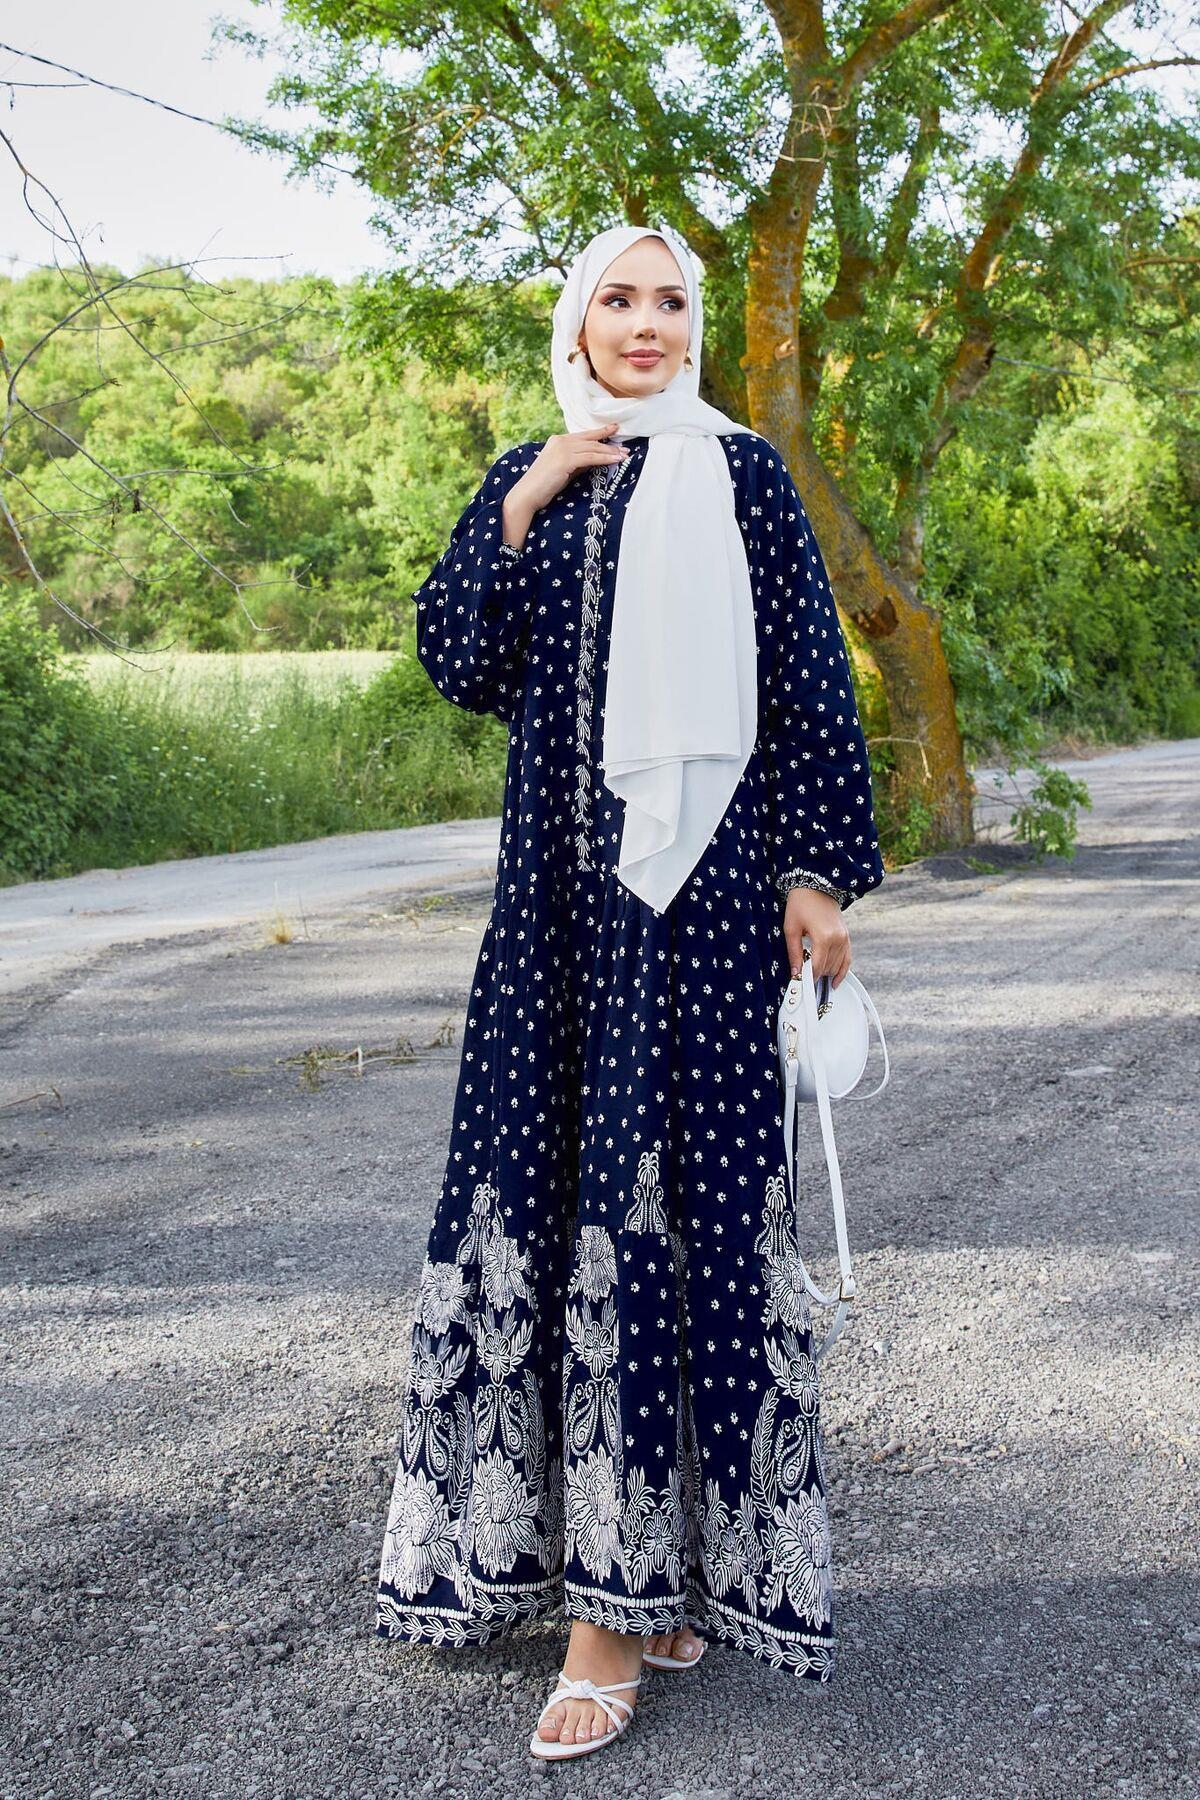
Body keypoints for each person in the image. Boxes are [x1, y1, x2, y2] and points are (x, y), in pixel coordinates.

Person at [375, 221, 885, 1761]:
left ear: (695, 326)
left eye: (672, 301)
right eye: (619, 298)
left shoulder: (745, 479)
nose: (648, 322)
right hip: (557, 918)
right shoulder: (533, 476)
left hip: (707, 914)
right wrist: (527, 496)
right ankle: (624, 1575)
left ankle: (618, 1617)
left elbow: (807, 683)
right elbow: (459, 658)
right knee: (556, 1201)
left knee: (680, 1210)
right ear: (576, 323)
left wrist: (815, 876)